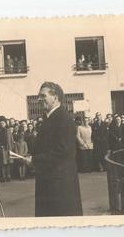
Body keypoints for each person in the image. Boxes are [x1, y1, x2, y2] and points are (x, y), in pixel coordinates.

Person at [24, 81, 82, 217]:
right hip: (49, 182)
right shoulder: (49, 118)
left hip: (59, 186)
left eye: (43, 96)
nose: (39, 99)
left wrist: (35, 159)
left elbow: (63, 151)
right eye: (39, 96)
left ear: (55, 97)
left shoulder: (64, 119)